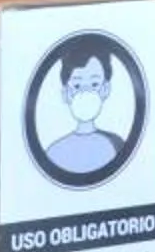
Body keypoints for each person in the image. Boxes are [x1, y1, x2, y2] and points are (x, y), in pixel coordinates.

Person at [42, 40, 124, 178]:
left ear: (105, 89)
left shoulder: (116, 145)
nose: (86, 93)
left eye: (94, 84)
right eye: (77, 86)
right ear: (66, 93)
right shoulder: (54, 152)